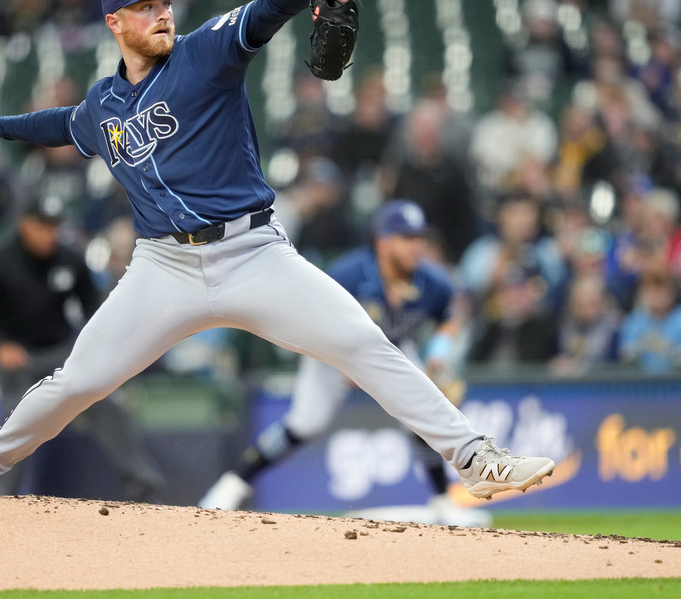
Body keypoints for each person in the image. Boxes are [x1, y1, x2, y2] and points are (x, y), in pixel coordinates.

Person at [0, 0, 555, 502]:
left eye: (164, 3)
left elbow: (268, 8)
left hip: (253, 253)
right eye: (143, 8)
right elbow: (60, 123)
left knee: (364, 345)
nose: (160, 14)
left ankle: (478, 461)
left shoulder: (205, 53)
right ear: (114, 23)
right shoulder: (104, 107)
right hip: (162, 269)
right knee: (78, 382)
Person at [199, 200, 491, 527]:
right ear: (383, 241)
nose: (416, 246)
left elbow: (449, 317)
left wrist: (437, 353)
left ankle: (441, 501)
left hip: (390, 349)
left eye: (419, 237)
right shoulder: (350, 273)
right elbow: (309, 317)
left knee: (420, 417)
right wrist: (344, 362)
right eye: (407, 238)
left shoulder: (429, 281)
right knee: (304, 424)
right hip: (332, 351)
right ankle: (233, 484)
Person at [0, 193, 165, 501]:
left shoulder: (69, 260)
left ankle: (142, 482)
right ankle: (4, 494)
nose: (48, 234)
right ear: (24, 224)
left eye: (54, 226)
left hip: (61, 354)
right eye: (42, 225)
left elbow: (94, 309)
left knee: (106, 401)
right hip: (20, 358)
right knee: (15, 415)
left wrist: (95, 350)